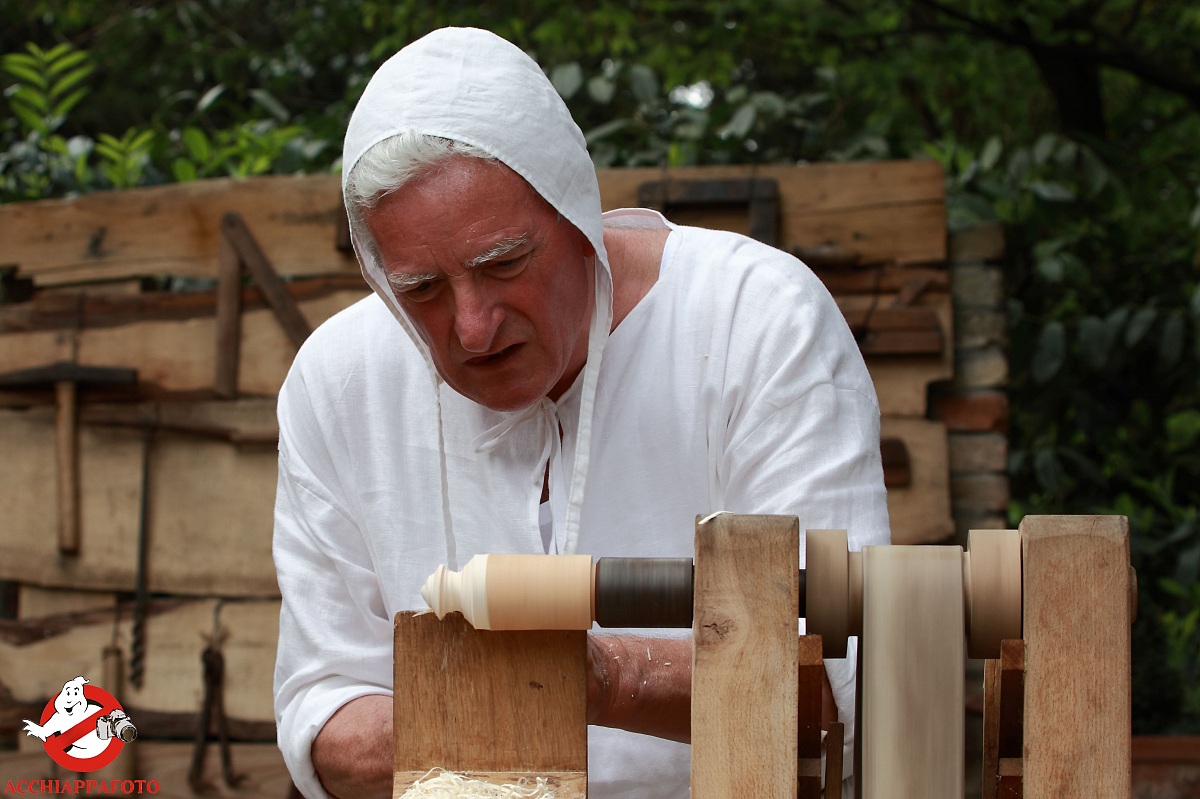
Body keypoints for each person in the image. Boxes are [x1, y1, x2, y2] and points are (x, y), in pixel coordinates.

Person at [272, 26, 890, 799]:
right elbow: (321, 707)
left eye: (504, 263)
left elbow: (841, 687)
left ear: (575, 210)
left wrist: (606, 679)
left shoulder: (754, 320)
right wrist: (477, 717)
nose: (472, 326)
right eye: (421, 288)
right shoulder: (336, 384)